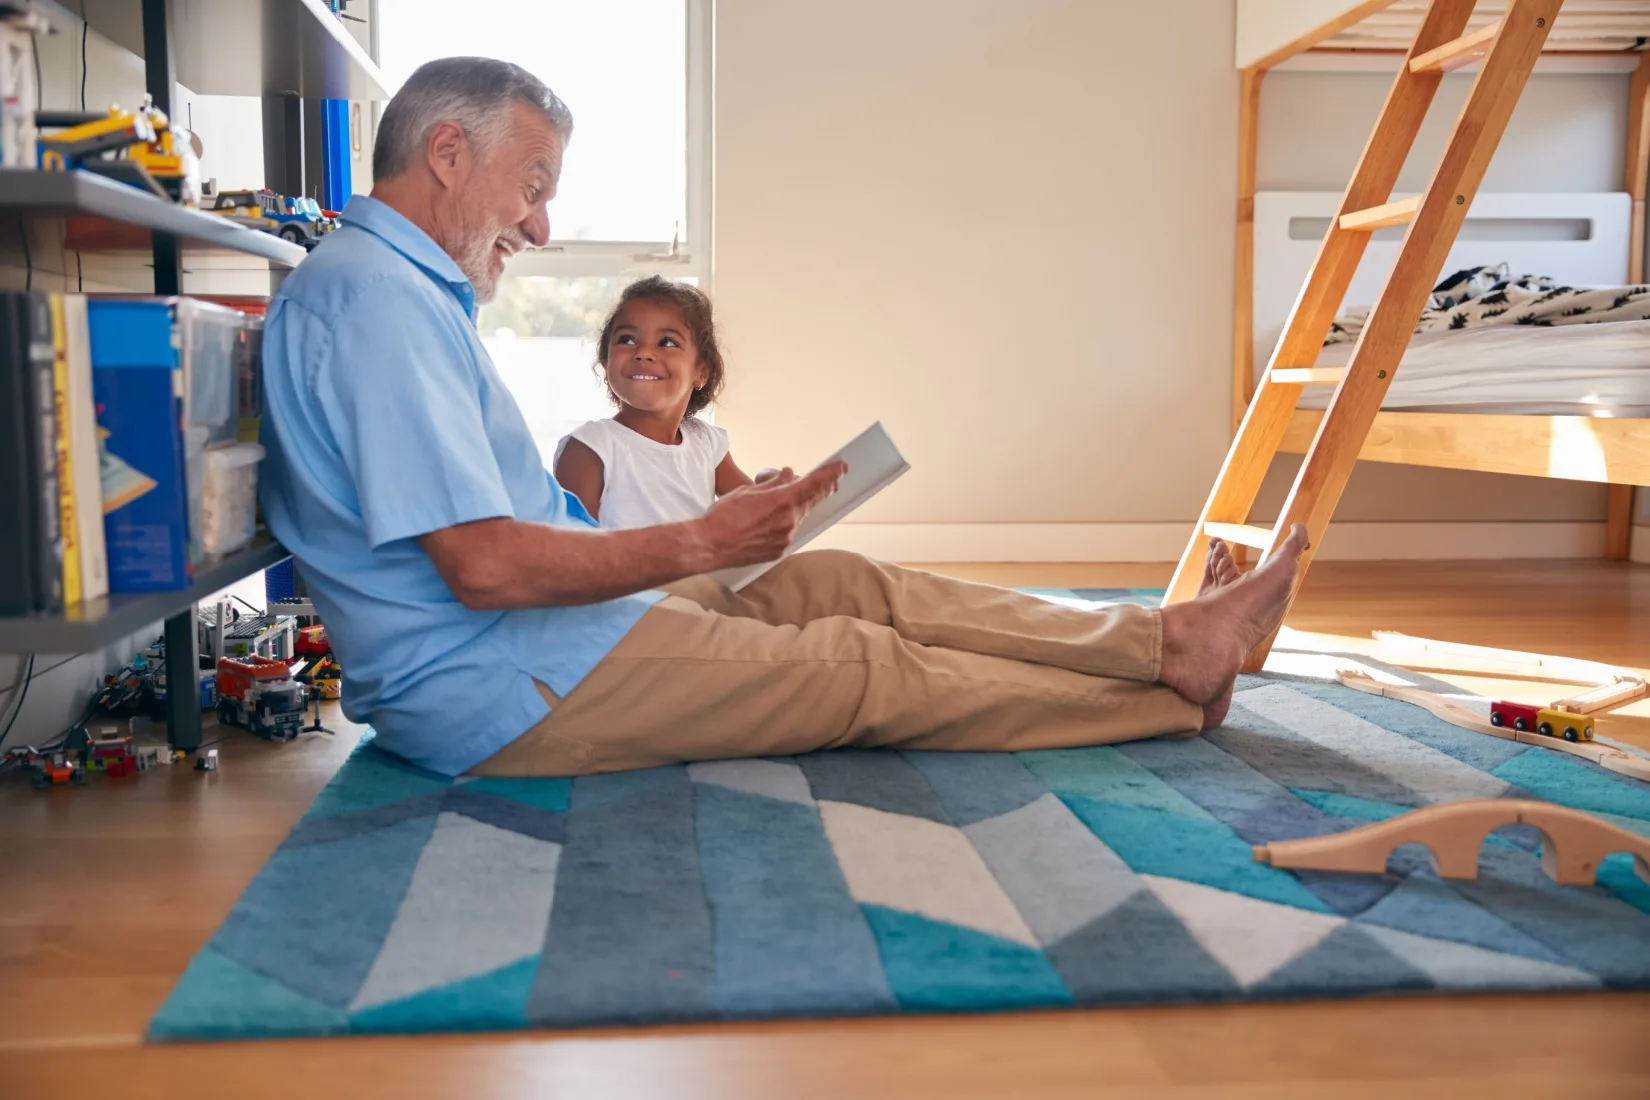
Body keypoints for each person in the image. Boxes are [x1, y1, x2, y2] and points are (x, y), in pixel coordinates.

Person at [259, 55, 1309, 780]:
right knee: (858, 668)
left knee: (842, 582)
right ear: (448, 153)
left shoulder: (404, 294)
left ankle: (1159, 637)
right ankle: (1171, 693)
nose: (540, 222)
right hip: (501, 687)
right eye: (531, 186)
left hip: (560, 633)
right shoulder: (374, 304)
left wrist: (715, 538)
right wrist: (699, 540)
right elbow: (482, 568)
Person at [554, 276, 756, 528]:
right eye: (627, 339)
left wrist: (790, 489)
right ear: (606, 362)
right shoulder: (591, 448)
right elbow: (573, 553)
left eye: (667, 342)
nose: (644, 353)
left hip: (709, 567)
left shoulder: (705, 443)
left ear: (701, 372)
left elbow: (763, 511)